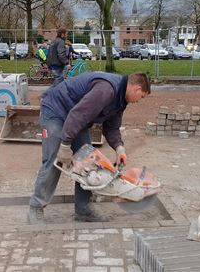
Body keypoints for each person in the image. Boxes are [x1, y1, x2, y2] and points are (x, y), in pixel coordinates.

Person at [28, 72, 151, 224]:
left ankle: (83, 209)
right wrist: (65, 145)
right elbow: (78, 114)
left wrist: (120, 149)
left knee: (88, 161)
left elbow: (112, 128)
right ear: (137, 89)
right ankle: (35, 208)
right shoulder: (107, 89)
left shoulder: (120, 99)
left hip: (75, 118)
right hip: (56, 111)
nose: (139, 101)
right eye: (142, 96)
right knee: (55, 160)